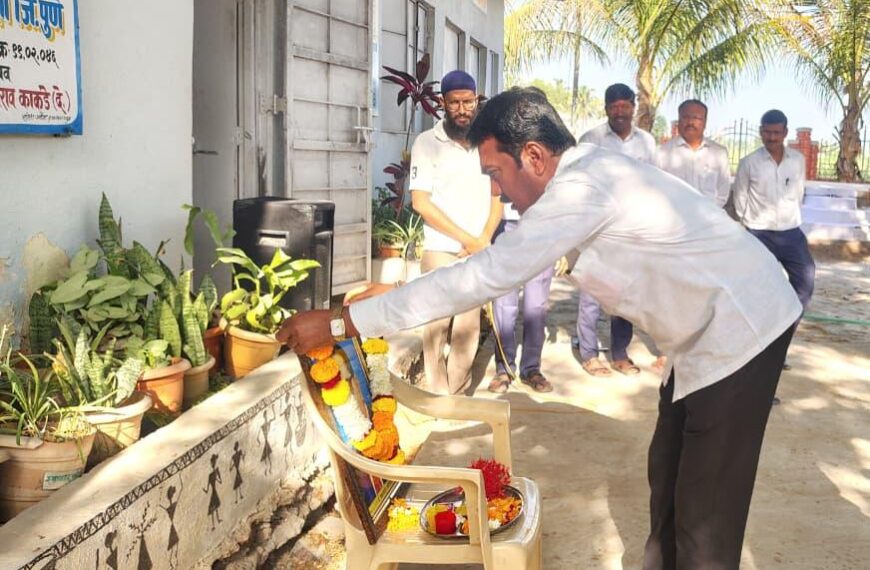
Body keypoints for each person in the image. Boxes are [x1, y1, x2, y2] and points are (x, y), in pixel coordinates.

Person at [278, 87, 802, 569]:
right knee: (668, 470)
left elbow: (488, 273)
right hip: (700, 335)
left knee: (705, 509)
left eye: (494, 173)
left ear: (533, 155)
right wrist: (387, 298)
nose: (497, 192)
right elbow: (479, 269)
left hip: (740, 331)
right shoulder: (587, 174)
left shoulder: (580, 190)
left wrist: (342, 321)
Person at [408, 69, 502, 395]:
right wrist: (467, 239)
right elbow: (420, 202)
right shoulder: (426, 143)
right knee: (436, 324)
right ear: (441, 103)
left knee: (467, 326)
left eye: (468, 101)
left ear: (476, 100)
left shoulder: (489, 141)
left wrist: (484, 239)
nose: (462, 109)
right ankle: (437, 394)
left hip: (477, 248)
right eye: (454, 103)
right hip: (440, 247)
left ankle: (456, 394)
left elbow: (498, 196)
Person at [575, 83, 659, 377]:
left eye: (626, 106)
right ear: (606, 108)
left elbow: (654, 183)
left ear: (634, 108)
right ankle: (588, 353)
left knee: (624, 294)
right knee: (592, 294)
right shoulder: (592, 139)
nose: (620, 112)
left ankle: (620, 353)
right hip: (598, 229)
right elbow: (579, 182)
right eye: (615, 106)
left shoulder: (646, 142)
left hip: (632, 229)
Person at [729, 109, 815, 377]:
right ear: (761, 131)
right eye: (767, 132)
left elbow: (799, 193)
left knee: (805, 283)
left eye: (777, 132)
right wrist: (749, 230)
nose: (772, 137)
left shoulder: (798, 160)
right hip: (759, 234)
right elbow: (740, 199)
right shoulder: (749, 162)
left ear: (785, 133)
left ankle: (779, 344)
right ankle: (754, 352)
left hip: (791, 234)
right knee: (757, 294)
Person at [487, 200, 556, 393]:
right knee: (504, 303)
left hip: (544, 226)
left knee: (536, 305)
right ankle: (504, 369)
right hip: (506, 223)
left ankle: (531, 368)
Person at [657, 99, 731, 206]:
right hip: (675, 218)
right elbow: (658, 190)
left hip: (709, 218)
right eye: (685, 117)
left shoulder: (719, 153)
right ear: (679, 120)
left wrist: (710, 213)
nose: (690, 122)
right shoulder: (662, 153)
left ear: (705, 122)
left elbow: (722, 193)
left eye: (696, 118)